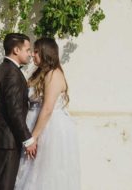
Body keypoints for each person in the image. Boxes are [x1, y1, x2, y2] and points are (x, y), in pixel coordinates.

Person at [14, 37, 80, 189]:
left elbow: (48, 108)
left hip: (50, 128)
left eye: (36, 52)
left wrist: (33, 138)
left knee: (44, 171)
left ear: (46, 53)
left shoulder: (54, 74)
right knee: (29, 170)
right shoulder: (40, 73)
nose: (32, 55)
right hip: (34, 123)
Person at [0, 33, 37, 190]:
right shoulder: (12, 73)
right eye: (27, 49)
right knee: (5, 185)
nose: (30, 54)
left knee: (4, 183)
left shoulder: (7, 68)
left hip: (4, 137)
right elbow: (14, 111)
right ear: (16, 50)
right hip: (6, 138)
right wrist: (28, 140)